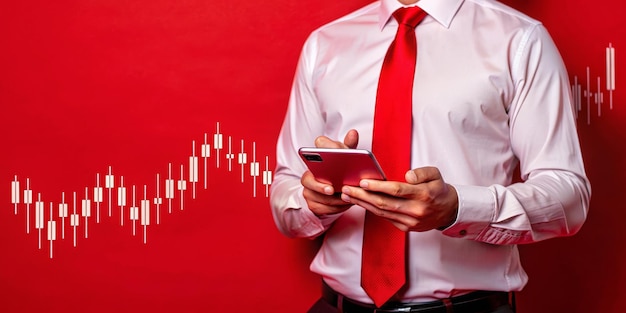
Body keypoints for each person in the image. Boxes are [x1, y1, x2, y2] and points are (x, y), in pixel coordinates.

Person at [270, 0, 591, 312]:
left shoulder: (519, 39)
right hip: (337, 306)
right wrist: (313, 202)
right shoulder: (325, 44)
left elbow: (568, 196)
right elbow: (286, 188)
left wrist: (458, 209)